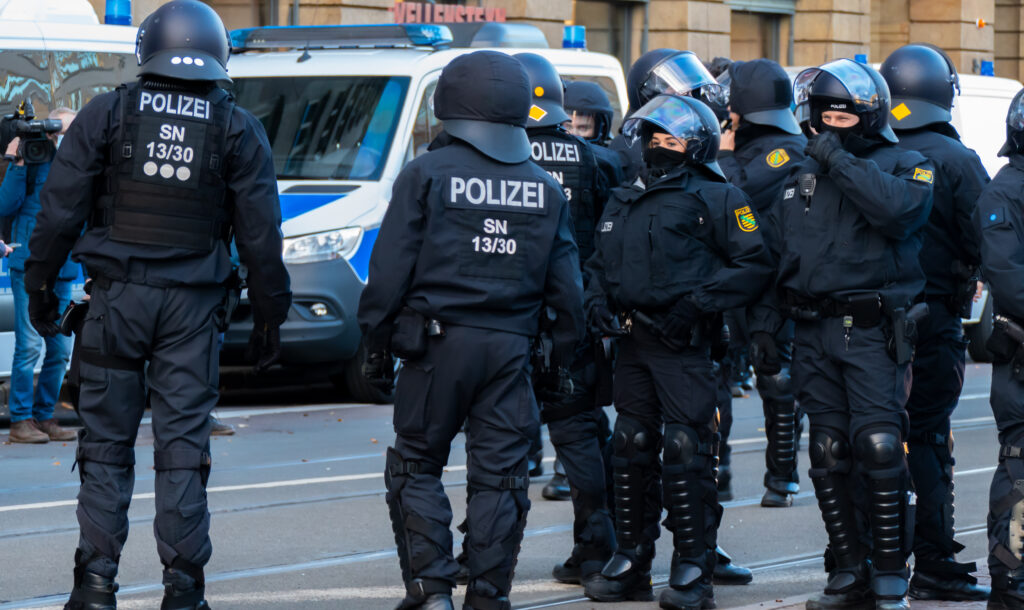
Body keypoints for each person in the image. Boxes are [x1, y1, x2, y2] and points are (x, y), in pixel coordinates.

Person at [24, 2, 292, 608]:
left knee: (105, 447)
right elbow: (261, 235)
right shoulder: (237, 127)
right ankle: (183, 588)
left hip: (117, 304)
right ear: (216, 51)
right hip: (192, 316)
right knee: (181, 452)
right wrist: (272, 314)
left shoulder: (107, 113)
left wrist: (41, 285)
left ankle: (95, 584)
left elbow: (59, 210)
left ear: (150, 47)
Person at [356, 50, 584, 610]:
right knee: (501, 479)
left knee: (416, 463)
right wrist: (559, 362)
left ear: (451, 106)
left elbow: (388, 272)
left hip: (436, 346)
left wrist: (374, 344)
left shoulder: (426, 174)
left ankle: (432, 589)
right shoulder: (545, 188)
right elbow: (568, 294)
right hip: (511, 352)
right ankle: (489, 593)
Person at [752, 59, 934, 610]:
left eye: (845, 114)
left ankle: (888, 575)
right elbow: (774, 256)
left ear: (870, 114)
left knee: (878, 447)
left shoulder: (909, 164)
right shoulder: (798, 177)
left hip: (873, 330)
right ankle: (848, 569)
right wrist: (763, 325)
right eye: (825, 114)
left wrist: (834, 157)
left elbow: (899, 213)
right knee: (828, 451)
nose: (833, 123)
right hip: (812, 329)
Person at [582, 94, 773, 609]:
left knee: (687, 452)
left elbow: (754, 264)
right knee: (630, 443)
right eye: (654, 139)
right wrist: (596, 301)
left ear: (696, 146)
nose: (660, 148)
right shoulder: (623, 197)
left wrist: (696, 306)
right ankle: (631, 558)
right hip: (633, 344)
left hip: (683, 345)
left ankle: (693, 567)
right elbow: (598, 264)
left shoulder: (720, 197)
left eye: (672, 140)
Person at [880, 43, 990, 601]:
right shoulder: (956, 160)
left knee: (871, 440)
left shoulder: (871, 153)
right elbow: (985, 239)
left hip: (869, 325)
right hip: (934, 319)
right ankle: (933, 560)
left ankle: (867, 559)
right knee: (926, 440)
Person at [515, 52, 616, 585]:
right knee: (579, 432)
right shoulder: (596, 160)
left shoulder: (487, 156)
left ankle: (485, 555)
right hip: (571, 316)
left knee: (499, 435)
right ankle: (597, 547)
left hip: (503, 316)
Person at [718, 59, 808, 508]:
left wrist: (723, 155)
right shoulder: (743, 143)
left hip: (775, 284)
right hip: (734, 279)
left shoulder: (785, 149)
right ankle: (718, 471)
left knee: (776, 377)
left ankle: (782, 476)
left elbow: (738, 192)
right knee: (716, 379)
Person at [974, 87, 1024, 610]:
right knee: (1021, 469)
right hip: (1021, 355)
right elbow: (1010, 280)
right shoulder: (1004, 192)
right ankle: (1011, 583)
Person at [1, 107, 79, 444]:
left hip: (64, 268)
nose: (62, 139)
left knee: (59, 348)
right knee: (29, 345)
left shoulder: (82, 163)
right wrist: (19, 163)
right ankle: (20, 421)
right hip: (29, 265)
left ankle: (45, 416)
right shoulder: (32, 159)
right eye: (57, 132)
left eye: (69, 132)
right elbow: (5, 206)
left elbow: (86, 219)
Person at [610, 49, 727, 181]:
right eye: (677, 93)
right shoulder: (630, 146)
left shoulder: (693, 136)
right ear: (648, 95)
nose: (686, 99)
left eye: (690, 92)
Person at [564, 80, 625, 187]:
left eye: (583, 128)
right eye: (567, 127)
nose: (573, 134)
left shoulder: (609, 165)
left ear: (601, 130)